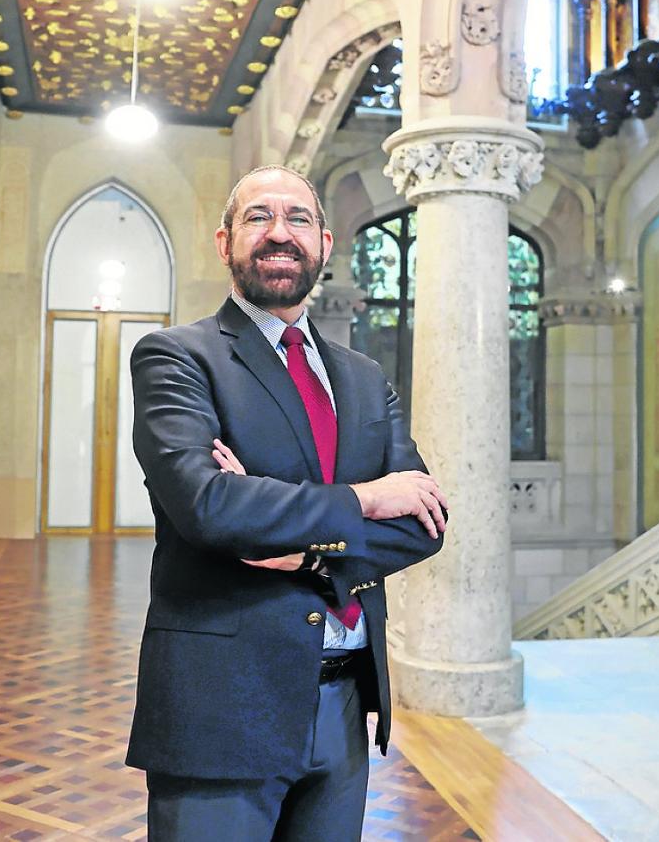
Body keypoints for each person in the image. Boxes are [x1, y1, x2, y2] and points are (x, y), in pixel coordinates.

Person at [125, 164, 449, 840]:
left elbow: (422, 524)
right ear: (225, 243)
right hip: (222, 705)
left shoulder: (363, 379)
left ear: (325, 244)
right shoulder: (178, 359)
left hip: (343, 709)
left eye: (298, 218)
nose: (280, 234)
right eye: (258, 217)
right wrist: (366, 498)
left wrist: (306, 550)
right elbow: (209, 506)